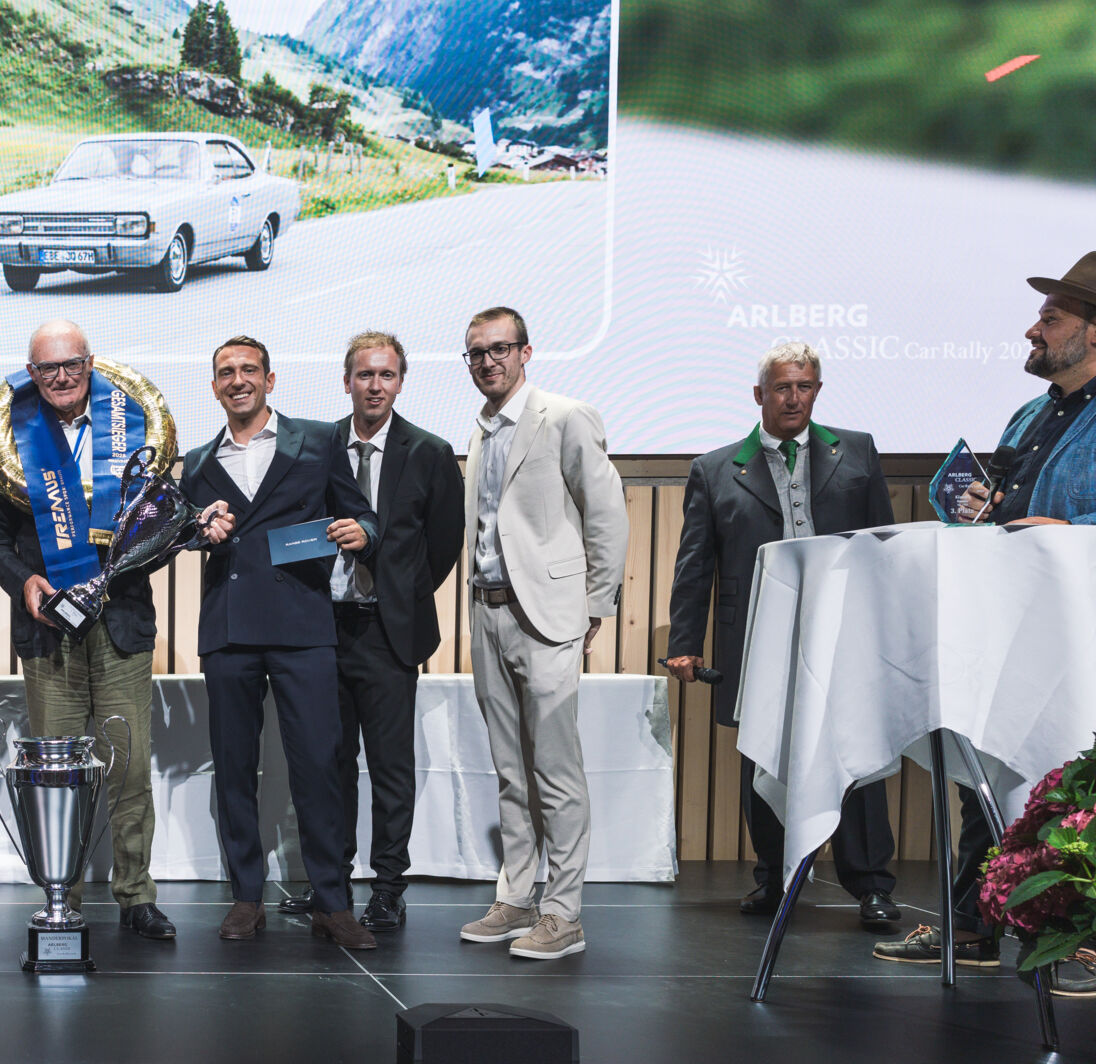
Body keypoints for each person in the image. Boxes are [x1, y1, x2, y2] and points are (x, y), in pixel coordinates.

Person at [877, 253, 1096, 998]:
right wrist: (972, 505)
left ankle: (1079, 940)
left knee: (1072, 784)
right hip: (1004, 621)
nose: (1033, 330)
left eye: (1053, 319)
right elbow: (997, 505)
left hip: (1077, 633)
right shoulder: (1031, 414)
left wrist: (1064, 529)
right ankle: (973, 923)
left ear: (1093, 335)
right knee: (987, 765)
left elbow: (1070, 524)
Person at [666, 341, 899, 930]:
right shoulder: (716, 469)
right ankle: (776, 877)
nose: (794, 398)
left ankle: (871, 885)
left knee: (861, 756)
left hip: (845, 633)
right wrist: (684, 641)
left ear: (816, 391)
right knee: (763, 755)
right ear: (759, 394)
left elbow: (885, 550)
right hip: (756, 636)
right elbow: (695, 564)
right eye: (782, 387)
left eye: (805, 387)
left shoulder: (858, 453)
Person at [0, 319, 190, 942]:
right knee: (58, 771)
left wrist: (126, 561)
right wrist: (24, 581)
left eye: (72, 365)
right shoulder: (10, 436)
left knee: (128, 768)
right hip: (48, 633)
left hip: (120, 626)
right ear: (31, 374)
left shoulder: (133, 430)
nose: (62, 377)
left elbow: (161, 524)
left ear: (90, 364)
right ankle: (59, 893)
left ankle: (135, 895)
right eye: (48, 369)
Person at [179, 334, 379, 950]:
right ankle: (246, 896)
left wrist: (360, 531)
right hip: (230, 630)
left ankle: (333, 901)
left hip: (302, 626)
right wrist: (194, 532)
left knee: (318, 763)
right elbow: (180, 538)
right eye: (224, 373)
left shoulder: (316, 441)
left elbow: (363, 515)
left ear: (270, 379)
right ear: (214, 387)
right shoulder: (195, 462)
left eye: (248, 370)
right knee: (234, 768)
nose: (237, 380)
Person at [456, 307, 626, 960]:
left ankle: (564, 912)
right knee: (509, 769)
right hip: (487, 612)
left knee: (554, 770)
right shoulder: (479, 432)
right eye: (476, 353)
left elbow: (606, 511)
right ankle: (518, 895)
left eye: (500, 349)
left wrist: (593, 607)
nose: (488, 361)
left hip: (548, 615)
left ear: (526, 352)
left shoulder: (563, 416)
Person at [279, 332, 463, 931]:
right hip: (322, 628)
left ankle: (388, 887)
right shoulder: (316, 444)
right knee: (328, 763)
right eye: (364, 375)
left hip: (388, 632)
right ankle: (332, 885)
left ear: (401, 382)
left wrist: (396, 595)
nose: (375, 386)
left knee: (389, 766)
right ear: (347, 381)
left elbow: (441, 548)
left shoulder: (429, 452)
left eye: (386, 376)